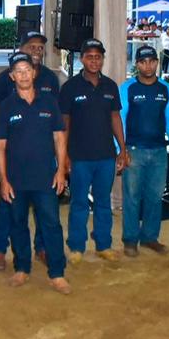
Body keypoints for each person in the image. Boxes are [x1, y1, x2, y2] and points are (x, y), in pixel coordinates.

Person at [0, 53, 70, 294]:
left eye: (28, 69)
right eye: (19, 71)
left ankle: (57, 273)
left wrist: (60, 171)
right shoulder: (6, 107)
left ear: (34, 73)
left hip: (45, 178)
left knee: (51, 224)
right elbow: (0, 146)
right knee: (18, 224)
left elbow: (59, 137)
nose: (24, 74)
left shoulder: (49, 102)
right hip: (16, 180)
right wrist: (3, 180)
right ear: (12, 76)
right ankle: (22, 268)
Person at [0, 31, 59, 269]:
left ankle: (42, 248)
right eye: (32, 47)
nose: (37, 51)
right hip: (13, 155)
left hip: (43, 157)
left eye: (41, 47)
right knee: (8, 205)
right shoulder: (4, 81)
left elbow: (57, 125)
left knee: (44, 211)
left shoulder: (50, 78)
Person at [59, 38, 126, 263]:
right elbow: (64, 123)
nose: (94, 61)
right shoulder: (70, 87)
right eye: (90, 56)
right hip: (79, 157)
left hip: (106, 156)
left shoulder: (110, 86)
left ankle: (103, 245)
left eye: (98, 57)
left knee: (103, 202)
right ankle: (77, 247)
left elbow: (115, 118)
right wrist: (64, 156)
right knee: (78, 202)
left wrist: (122, 149)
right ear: (81, 59)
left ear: (102, 59)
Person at [119, 45, 169, 257]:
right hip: (134, 150)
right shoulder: (128, 88)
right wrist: (121, 150)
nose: (148, 65)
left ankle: (149, 238)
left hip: (158, 152)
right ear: (136, 64)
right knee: (132, 196)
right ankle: (130, 239)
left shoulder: (166, 89)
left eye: (152, 61)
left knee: (155, 197)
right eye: (143, 61)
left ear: (157, 62)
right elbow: (120, 120)